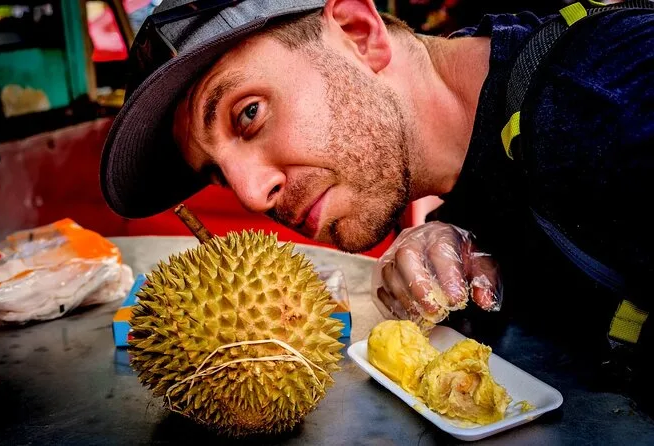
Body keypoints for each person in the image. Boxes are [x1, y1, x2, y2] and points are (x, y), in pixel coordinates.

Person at [100, 0, 654, 397]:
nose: (251, 194)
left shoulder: (617, 90)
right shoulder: (486, 150)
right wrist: (466, 230)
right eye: (218, 175)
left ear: (358, 32)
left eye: (249, 112)